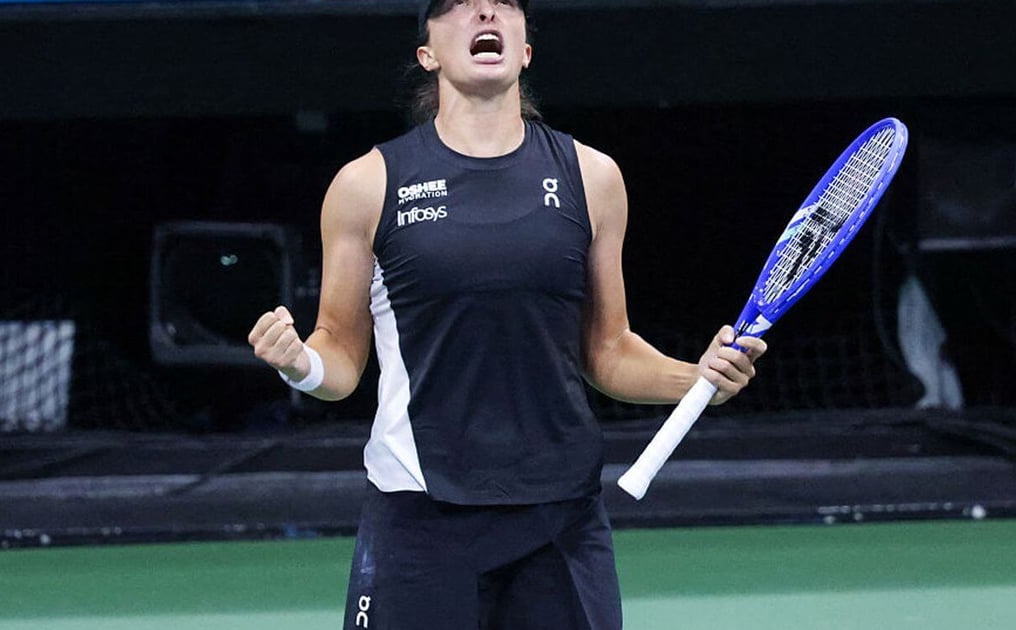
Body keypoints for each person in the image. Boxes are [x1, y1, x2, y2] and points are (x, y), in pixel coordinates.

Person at [247, 1, 768, 628]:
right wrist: (299, 363)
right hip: (420, 515)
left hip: (560, 518)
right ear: (427, 54)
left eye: (504, 2)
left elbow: (607, 349)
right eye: (458, 5)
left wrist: (697, 379)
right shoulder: (367, 184)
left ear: (524, 51)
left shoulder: (592, 177)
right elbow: (339, 353)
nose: (485, 10)